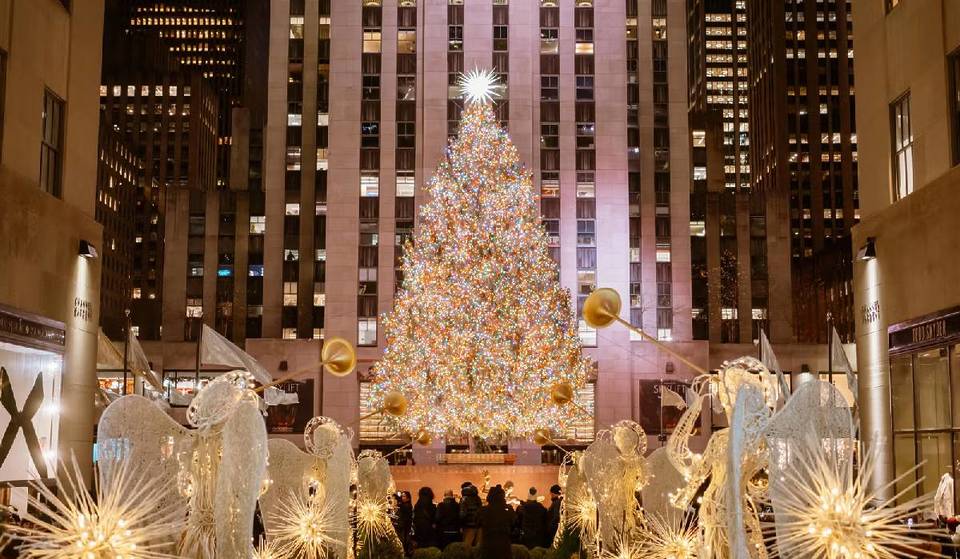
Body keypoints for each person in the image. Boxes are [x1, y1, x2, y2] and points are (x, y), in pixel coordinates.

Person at [476, 485, 516, 559]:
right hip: (504, 544)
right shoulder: (508, 509)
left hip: (488, 543)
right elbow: (514, 522)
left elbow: (477, 523)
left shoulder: (483, 510)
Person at [460, 482, 483, 547]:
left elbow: (462, 514)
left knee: (467, 547)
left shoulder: (464, 499)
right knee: (477, 548)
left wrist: (461, 525)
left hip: (468, 527)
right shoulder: (478, 498)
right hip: (479, 526)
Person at [396, 491, 414, 555]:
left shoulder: (407, 506)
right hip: (404, 526)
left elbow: (403, 509)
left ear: (408, 498)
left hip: (405, 526)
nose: (402, 498)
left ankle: (406, 552)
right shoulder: (404, 505)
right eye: (402, 496)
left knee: (405, 540)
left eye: (404, 496)